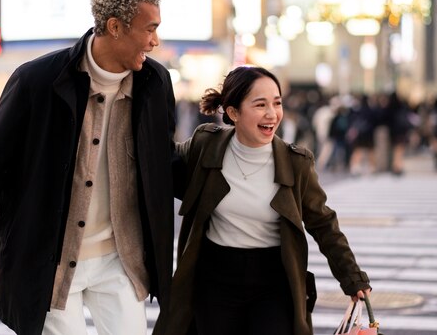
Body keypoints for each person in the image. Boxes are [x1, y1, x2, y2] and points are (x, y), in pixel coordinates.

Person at [0, 0, 177, 335]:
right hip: (50, 260)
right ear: (115, 27)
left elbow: (163, 161)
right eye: (150, 29)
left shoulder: (155, 83)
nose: (155, 40)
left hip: (121, 258)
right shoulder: (37, 81)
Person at [154, 66, 371, 335]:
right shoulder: (206, 145)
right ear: (233, 112)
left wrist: (352, 278)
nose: (272, 114)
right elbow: (161, 161)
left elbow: (324, 223)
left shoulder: (296, 163)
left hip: (273, 282)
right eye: (260, 105)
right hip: (215, 280)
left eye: (277, 103)